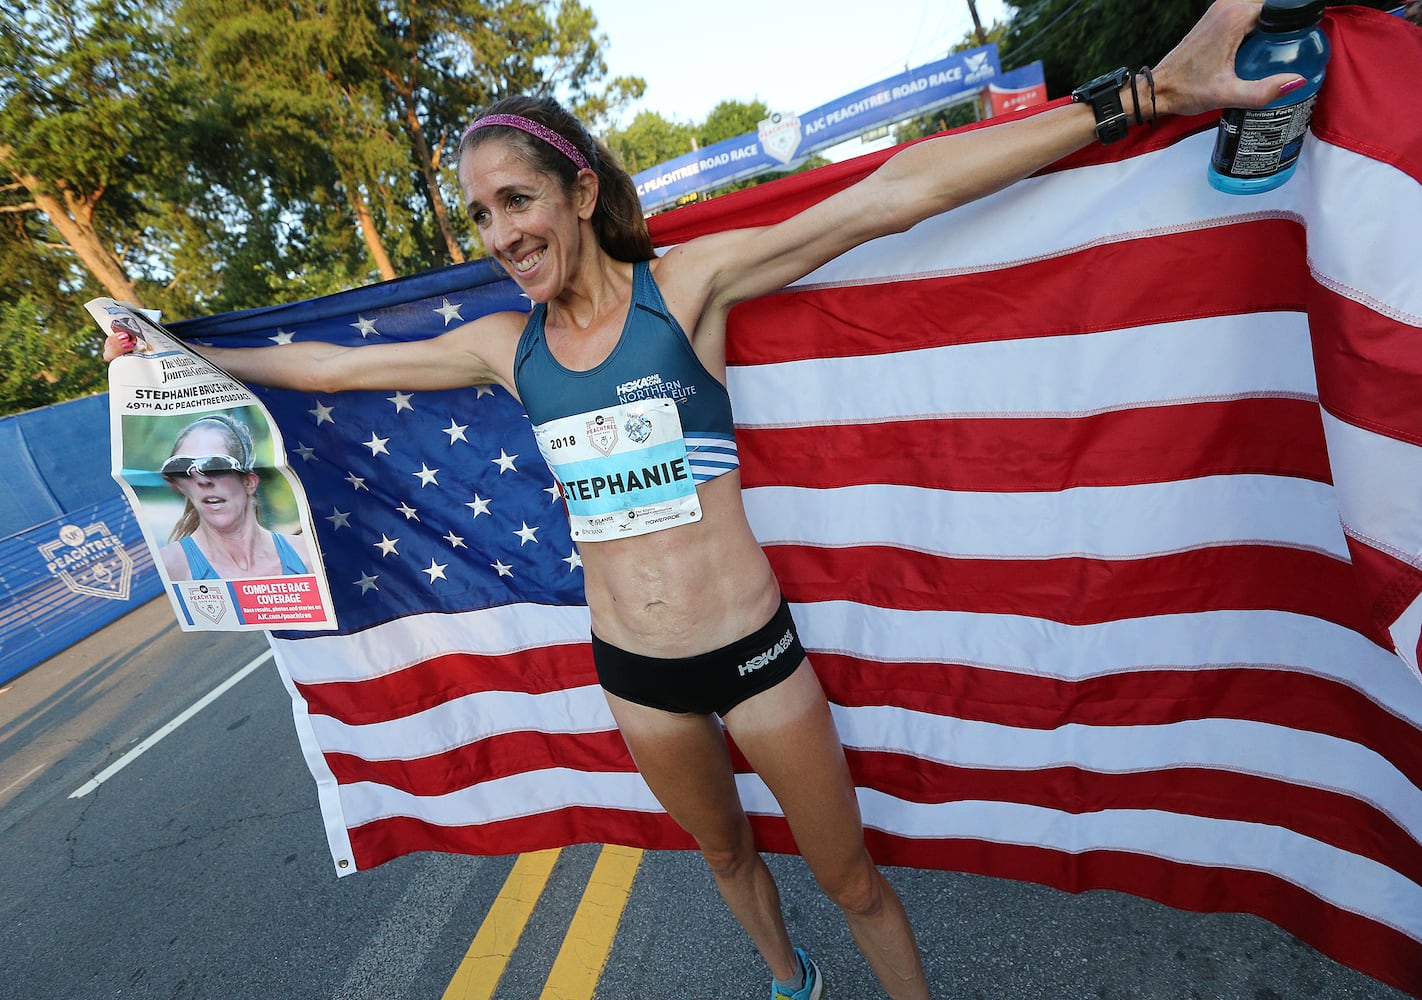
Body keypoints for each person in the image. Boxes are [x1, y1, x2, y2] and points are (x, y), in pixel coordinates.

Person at [106, 4, 1305, 995]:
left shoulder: (689, 289)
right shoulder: (497, 347)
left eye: (515, 201)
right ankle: (791, 985)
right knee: (728, 860)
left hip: (754, 654)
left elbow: (894, 196)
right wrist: (165, 352)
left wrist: (1136, 95)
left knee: (854, 881)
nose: (498, 233)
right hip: (634, 673)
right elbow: (327, 369)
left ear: (577, 191)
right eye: (477, 214)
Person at [156, 414, 311, 581]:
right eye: (183, 467)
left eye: (215, 465)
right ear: (179, 485)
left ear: (249, 482)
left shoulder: (306, 557)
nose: (202, 479)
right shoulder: (169, 566)